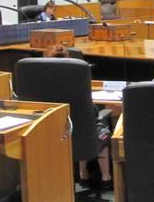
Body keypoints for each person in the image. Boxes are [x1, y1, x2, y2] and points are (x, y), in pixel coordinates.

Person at [43, 45, 112, 189]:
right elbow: (92, 112)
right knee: (99, 127)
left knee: (79, 126)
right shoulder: (77, 83)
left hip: (53, 139)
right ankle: (106, 178)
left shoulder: (42, 84)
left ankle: (83, 174)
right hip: (82, 138)